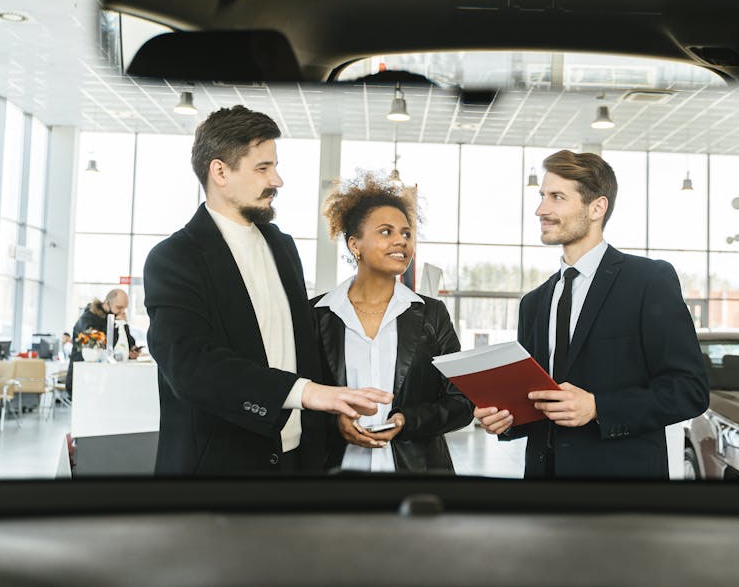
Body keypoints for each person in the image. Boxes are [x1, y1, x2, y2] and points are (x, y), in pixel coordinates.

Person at [143, 106, 392, 477]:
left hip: (297, 463)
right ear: (220, 172)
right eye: (262, 168)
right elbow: (191, 365)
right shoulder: (175, 258)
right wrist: (307, 392)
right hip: (219, 472)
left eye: (274, 166)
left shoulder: (283, 246)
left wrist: (334, 409)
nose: (277, 180)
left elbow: (301, 348)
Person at [473, 150, 710, 478]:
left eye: (557, 197)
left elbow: (689, 390)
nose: (541, 209)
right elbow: (536, 400)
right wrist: (506, 420)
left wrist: (599, 407)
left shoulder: (647, 281)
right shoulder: (534, 302)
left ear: (597, 207)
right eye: (542, 196)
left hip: (619, 491)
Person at [310, 173, 473, 473]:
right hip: (334, 473)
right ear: (354, 244)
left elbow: (462, 402)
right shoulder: (316, 315)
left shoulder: (432, 315)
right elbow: (297, 396)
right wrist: (335, 421)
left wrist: (406, 420)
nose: (401, 241)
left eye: (407, 234)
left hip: (417, 474)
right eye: (386, 232)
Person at [65, 289, 140, 395]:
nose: (122, 312)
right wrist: (116, 325)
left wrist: (132, 349)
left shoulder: (116, 318)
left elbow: (127, 339)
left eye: (124, 308)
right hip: (83, 378)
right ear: (107, 303)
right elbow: (103, 344)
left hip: (104, 378)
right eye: (119, 307)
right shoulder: (88, 319)